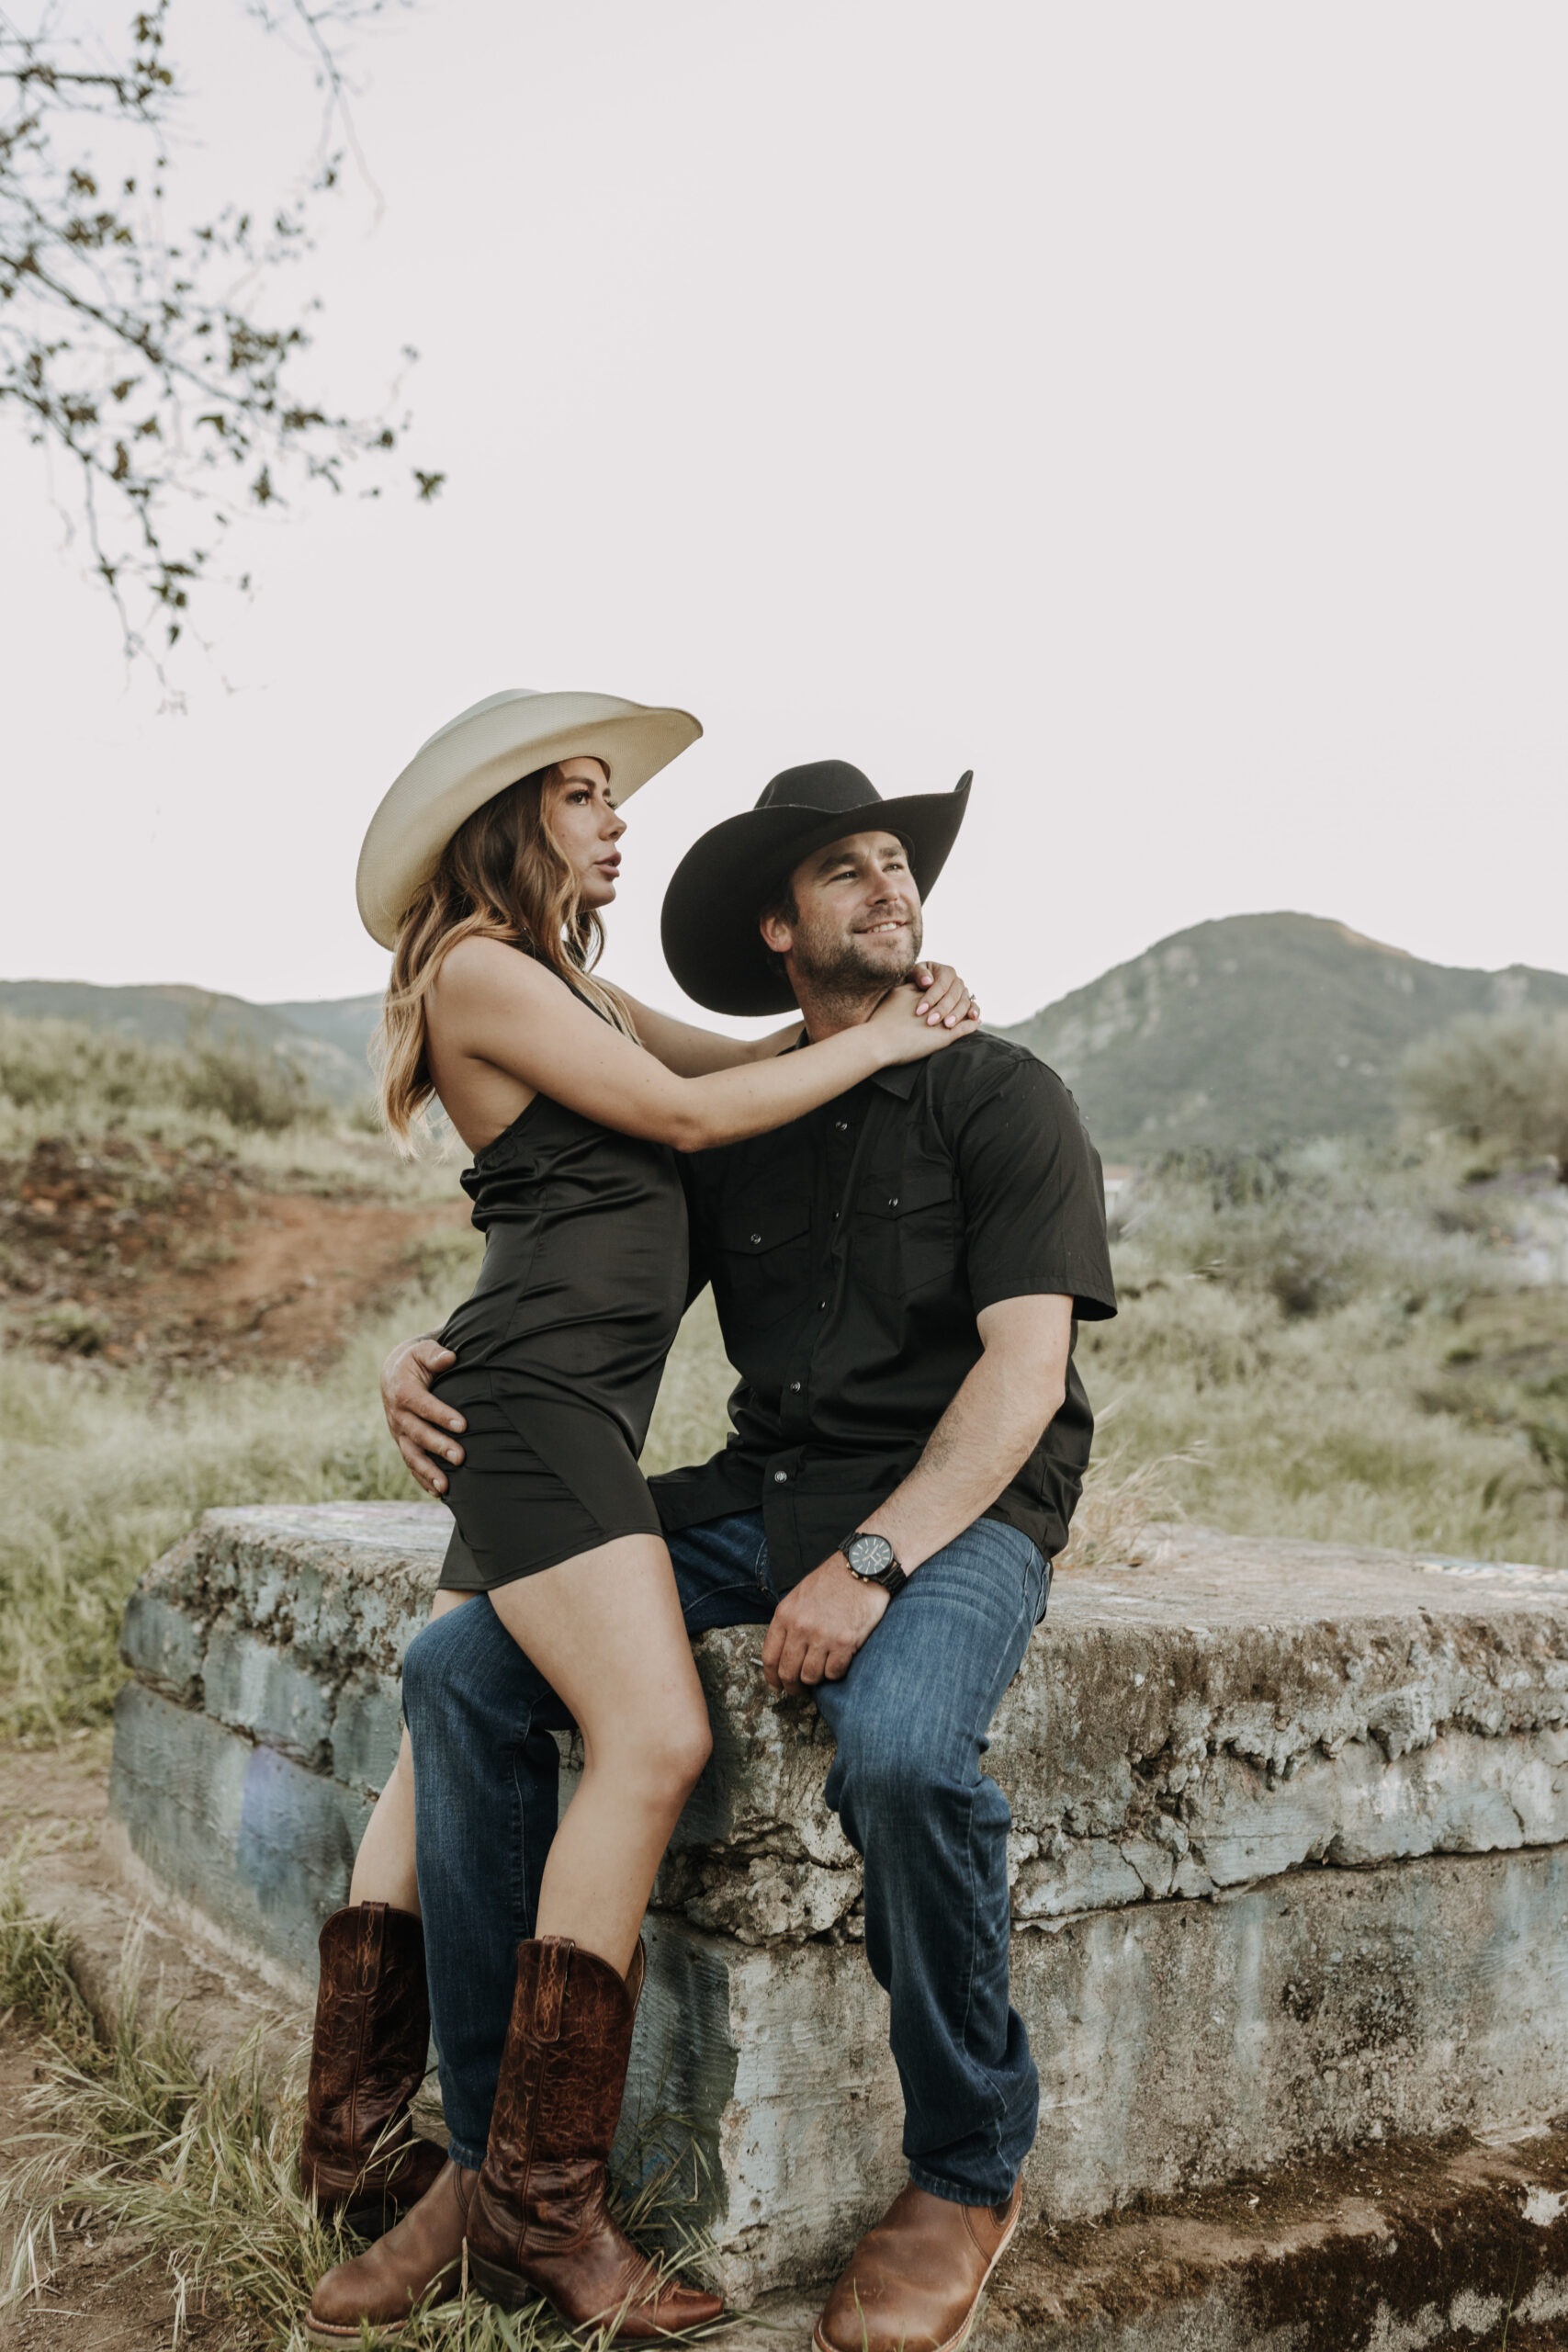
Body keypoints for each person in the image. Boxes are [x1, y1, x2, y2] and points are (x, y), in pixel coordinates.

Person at [378, 757, 1119, 2352]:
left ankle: (967, 2168)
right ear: (780, 929)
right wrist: (427, 1359)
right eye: (844, 872)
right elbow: (584, 1258)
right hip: (757, 1489)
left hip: (956, 1502)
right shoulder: (746, 1126)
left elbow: (1023, 1379)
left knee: (909, 1754)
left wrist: (875, 1559)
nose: (889, 889)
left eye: (896, 866)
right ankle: (501, 2167)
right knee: (457, 1667)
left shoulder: (1006, 1093)